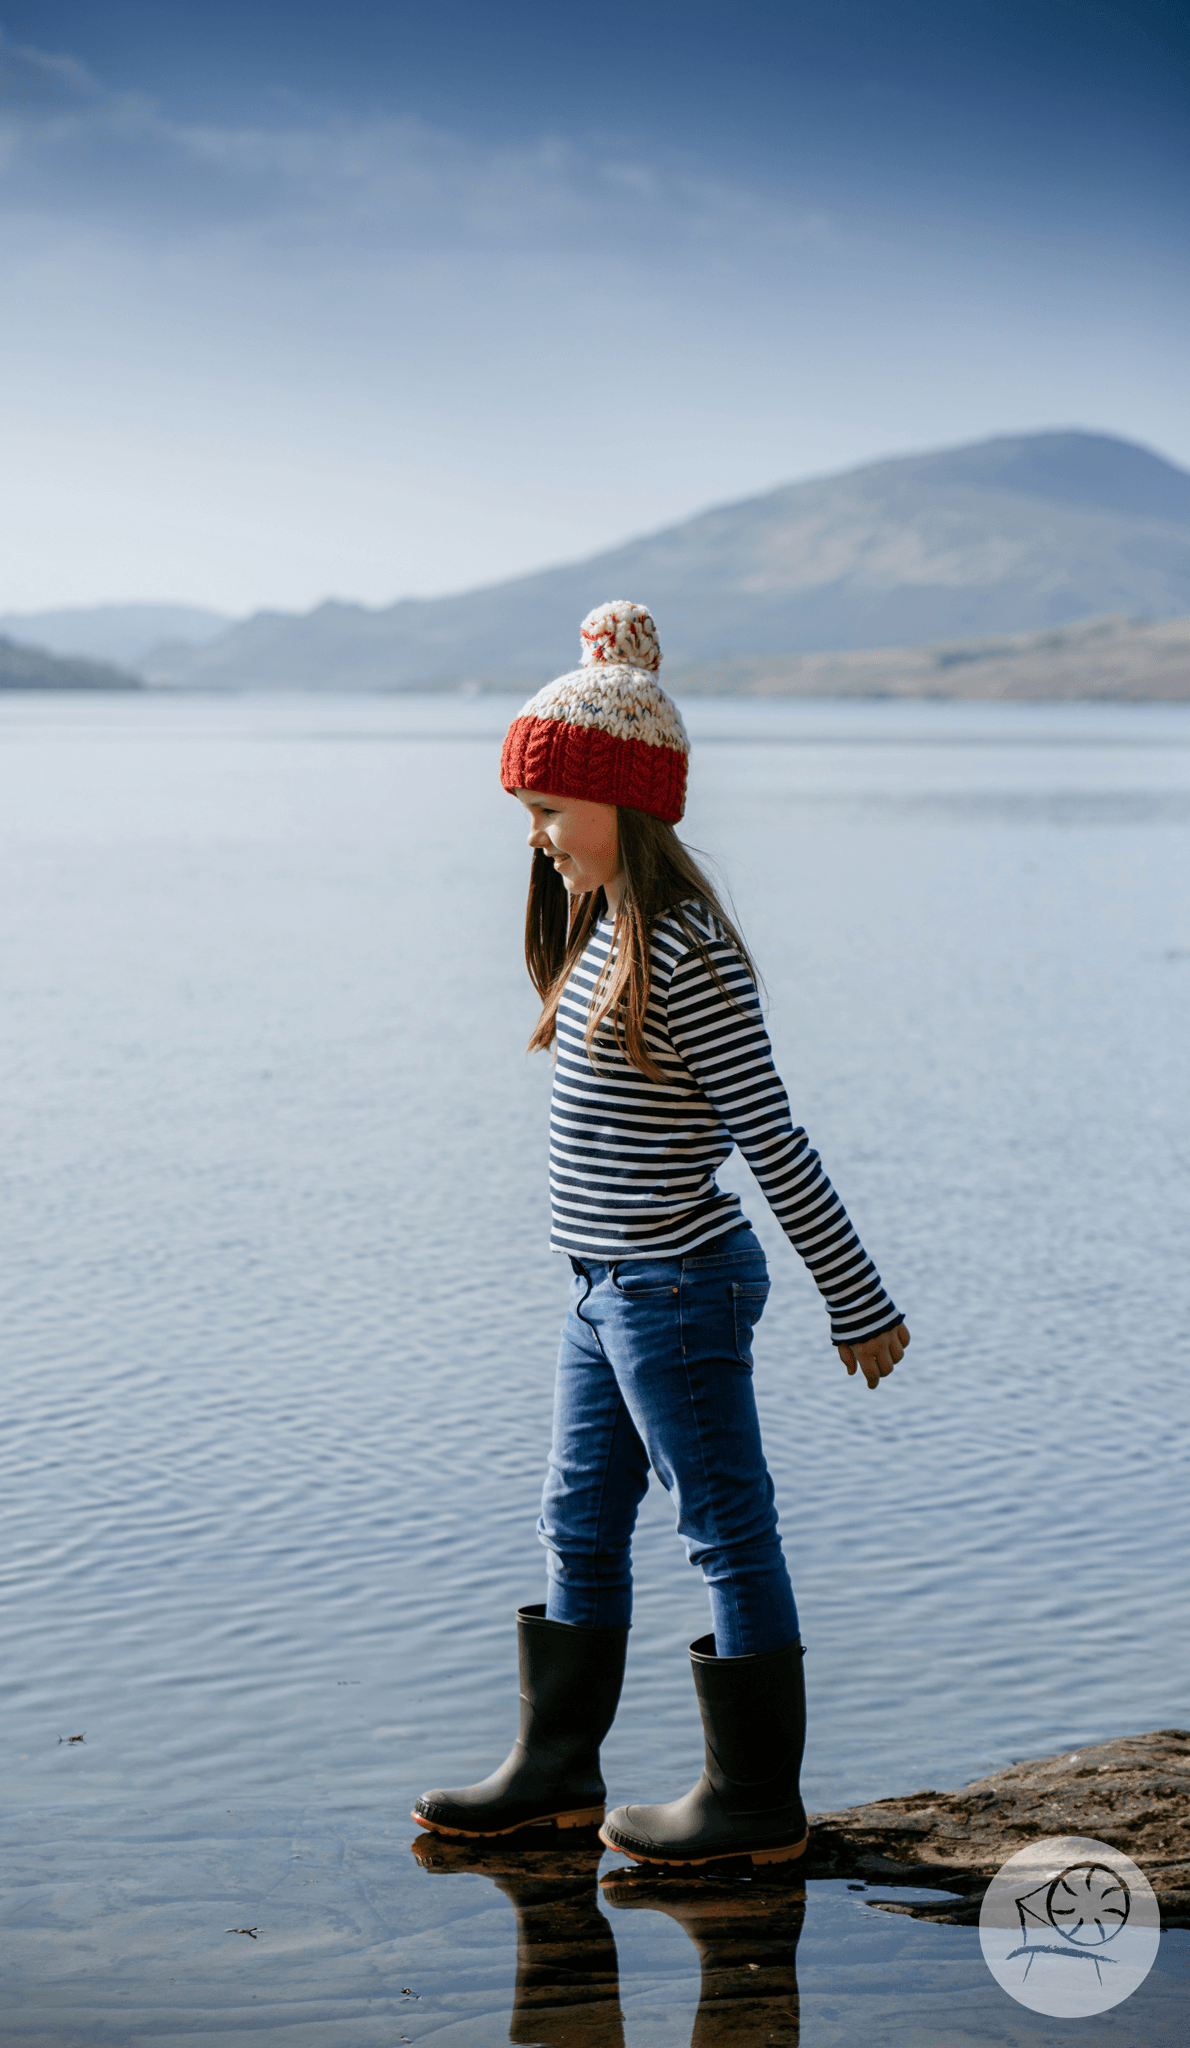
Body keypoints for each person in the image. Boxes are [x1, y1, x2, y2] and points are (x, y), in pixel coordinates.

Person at [413, 600, 908, 1868]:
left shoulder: (685, 952)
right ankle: (555, 1770)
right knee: (576, 1519)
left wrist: (857, 1299)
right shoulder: (597, 937)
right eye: (530, 814)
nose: (537, 838)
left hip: (676, 1288)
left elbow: (775, 1138)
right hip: (601, 1291)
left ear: (626, 805)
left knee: (724, 1526)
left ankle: (753, 1802)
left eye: (551, 813)